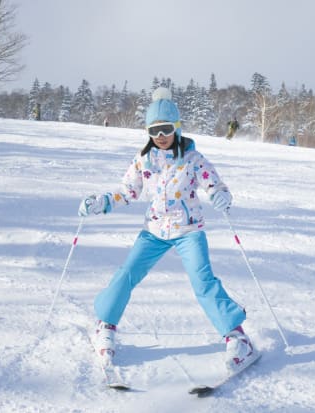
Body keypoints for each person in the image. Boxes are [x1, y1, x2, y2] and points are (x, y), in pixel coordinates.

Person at [78, 87, 258, 374]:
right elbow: (128, 191)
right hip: (154, 230)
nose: (160, 136)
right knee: (127, 274)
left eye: (165, 129)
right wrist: (103, 202)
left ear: (176, 127)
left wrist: (221, 194)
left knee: (203, 282)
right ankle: (105, 323)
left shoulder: (192, 158)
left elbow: (214, 183)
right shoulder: (143, 160)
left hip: (188, 229)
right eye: (154, 130)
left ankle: (237, 337)